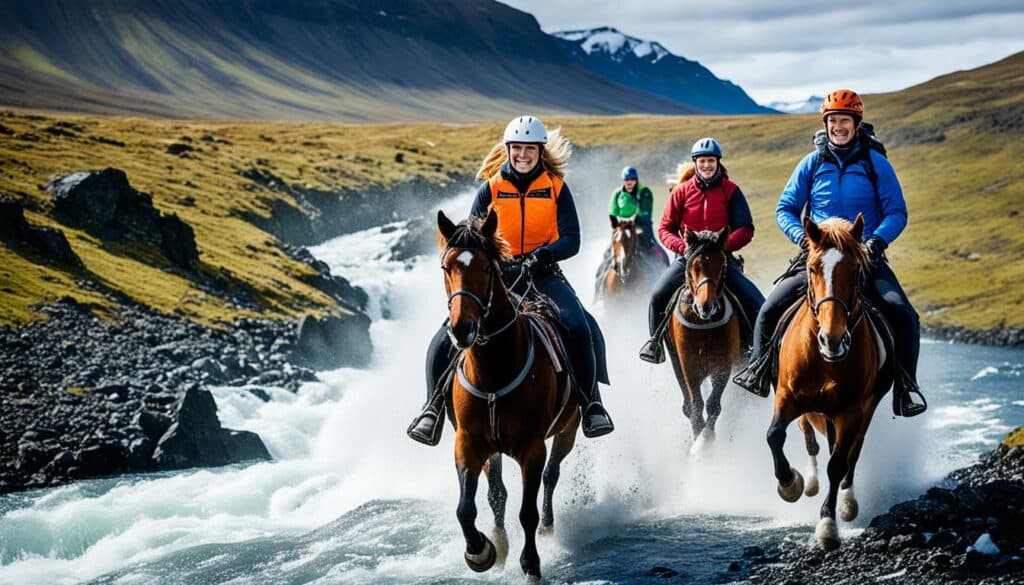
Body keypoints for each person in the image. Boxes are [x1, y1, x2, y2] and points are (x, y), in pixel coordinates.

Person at [407, 116, 615, 445]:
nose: (522, 155)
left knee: (579, 325)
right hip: (496, 279)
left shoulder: (556, 188)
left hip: (543, 275)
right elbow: (470, 237)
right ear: (507, 150)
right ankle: (431, 409)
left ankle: (592, 405)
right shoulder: (490, 188)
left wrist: (540, 256)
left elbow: (572, 240)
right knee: (446, 335)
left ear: (540, 151)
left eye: (529, 149)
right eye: (516, 148)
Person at [732, 89, 926, 417]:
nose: (838, 126)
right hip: (819, 258)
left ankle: (906, 388)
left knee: (904, 315)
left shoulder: (875, 164)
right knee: (769, 309)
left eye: (845, 120)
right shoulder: (811, 163)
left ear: (856, 124)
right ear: (826, 124)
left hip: (864, 257)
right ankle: (758, 371)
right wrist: (805, 239)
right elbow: (786, 208)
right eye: (833, 120)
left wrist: (877, 241)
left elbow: (897, 211)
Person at [639, 138, 764, 363]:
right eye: (702, 161)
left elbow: (745, 228)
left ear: (718, 162)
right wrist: (683, 248)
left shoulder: (731, 191)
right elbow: (665, 229)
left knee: (756, 302)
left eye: (711, 161)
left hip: (721, 260)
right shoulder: (681, 192)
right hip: (688, 260)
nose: (707, 165)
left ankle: (758, 354)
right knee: (658, 295)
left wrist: (724, 246)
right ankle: (655, 344)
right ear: (695, 163)